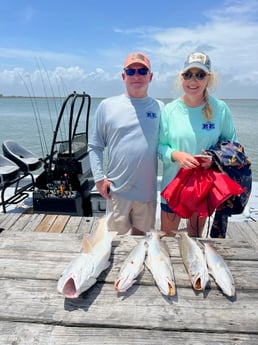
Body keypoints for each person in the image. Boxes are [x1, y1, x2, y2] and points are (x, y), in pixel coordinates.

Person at [158, 51, 237, 237]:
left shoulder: (221, 109)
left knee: (193, 240)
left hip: (202, 187)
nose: (193, 81)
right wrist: (176, 155)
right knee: (167, 239)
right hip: (172, 185)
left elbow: (232, 146)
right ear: (182, 78)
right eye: (188, 74)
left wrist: (214, 159)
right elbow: (160, 147)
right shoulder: (169, 111)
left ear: (208, 79)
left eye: (200, 75)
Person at [88, 52, 163, 235]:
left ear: (150, 77)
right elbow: (95, 146)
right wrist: (98, 178)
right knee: (115, 244)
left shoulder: (161, 108)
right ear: (123, 76)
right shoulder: (107, 106)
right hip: (117, 193)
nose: (136, 76)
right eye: (131, 71)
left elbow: (168, 148)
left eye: (142, 71)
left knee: (142, 246)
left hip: (147, 195)